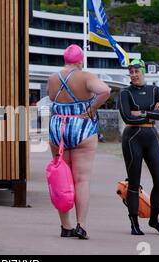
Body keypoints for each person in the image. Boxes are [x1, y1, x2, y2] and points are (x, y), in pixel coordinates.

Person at [47, 44, 111, 239]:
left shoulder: (53, 78)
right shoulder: (86, 76)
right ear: (80, 61)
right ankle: (81, 225)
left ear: (65, 60)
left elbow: (51, 97)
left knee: (61, 177)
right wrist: (91, 109)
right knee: (81, 179)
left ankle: (65, 226)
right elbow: (105, 91)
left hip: (58, 128)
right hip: (82, 127)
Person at [119, 59, 159, 235]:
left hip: (151, 137)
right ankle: (134, 223)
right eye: (131, 72)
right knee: (134, 183)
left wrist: (141, 113)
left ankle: (154, 219)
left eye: (136, 71)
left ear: (143, 71)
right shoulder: (125, 93)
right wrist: (151, 114)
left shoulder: (155, 90)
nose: (133, 75)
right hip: (132, 138)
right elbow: (127, 117)